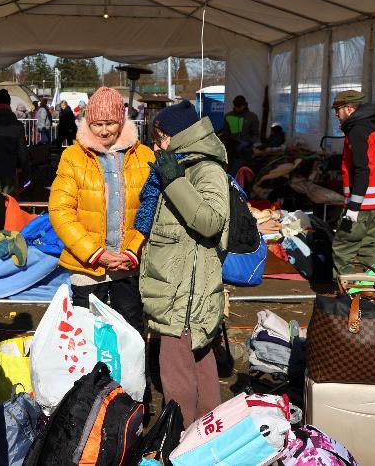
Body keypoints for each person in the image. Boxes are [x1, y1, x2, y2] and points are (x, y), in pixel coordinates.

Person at [140, 99, 229, 427]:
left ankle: (179, 444)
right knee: (201, 368)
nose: (155, 145)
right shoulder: (184, 164)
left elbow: (210, 221)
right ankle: (208, 442)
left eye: (160, 137)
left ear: (177, 135)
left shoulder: (206, 168)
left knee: (176, 377)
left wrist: (175, 182)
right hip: (178, 287)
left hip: (185, 295)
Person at [49, 86, 154, 334]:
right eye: (97, 124)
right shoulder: (73, 157)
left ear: (120, 121)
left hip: (129, 264)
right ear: (88, 123)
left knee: (129, 329)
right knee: (87, 332)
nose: (104, 131)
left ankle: (130, 375)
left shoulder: (144, 155)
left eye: (110, 123)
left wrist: (133, 250)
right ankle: (93, 375)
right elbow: (61, 211)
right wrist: (95, 253)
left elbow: (152, 208)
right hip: (87, 266)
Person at [331, 90, 375, 277]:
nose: (336, 114)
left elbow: (362, 169)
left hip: (362, 204)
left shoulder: (357, 130)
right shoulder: (374, 125)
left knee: (343, 247)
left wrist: (354, 206)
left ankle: (343, 294)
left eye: (337, 109)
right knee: (368, 248)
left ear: (349, 108)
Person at [221, 95, 260, 172]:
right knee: (230, 170)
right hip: (232, 150)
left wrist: (248, 142)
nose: (237, 108)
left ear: (244, 105)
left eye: (239, 106)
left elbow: (256, 134)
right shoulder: (228, 116)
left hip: (247, 151)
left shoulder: (252, 117)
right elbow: (225, 132)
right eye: (236, 106)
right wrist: (229, 143)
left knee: (247, 171)